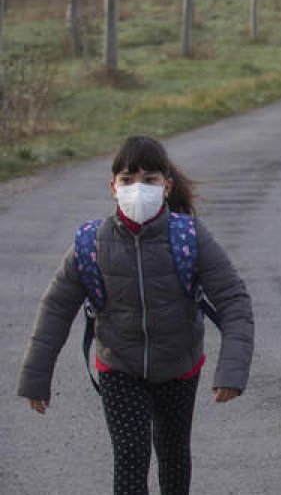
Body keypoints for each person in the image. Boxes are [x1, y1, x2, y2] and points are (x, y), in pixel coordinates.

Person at [17, 135, 255, 495]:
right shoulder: (90, 243)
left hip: (179, 366)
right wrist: (36, 379)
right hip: (120, 367)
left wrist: (232, 371)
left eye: (149, 180)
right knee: (130, 455)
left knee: (174, 455)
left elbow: (234, 300)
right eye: (128, 180)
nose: (137, 189)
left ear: (166, 185)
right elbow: (55, 309)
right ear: (113, 187)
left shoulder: (189, 237)